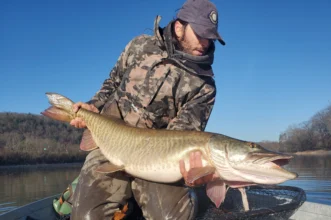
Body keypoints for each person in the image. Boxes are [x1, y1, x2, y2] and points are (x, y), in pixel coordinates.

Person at [68, 0, 225, 219]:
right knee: (87, 216)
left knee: (174, 217)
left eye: (210, 37)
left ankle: (139, 196)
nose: (205, 43)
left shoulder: (205, 87)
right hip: (111, 143)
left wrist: (195, 170)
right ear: (180, 28)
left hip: (158, 160)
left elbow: (179, 136)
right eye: (200, 34)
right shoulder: (140, 45)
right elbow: (112, 82)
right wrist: (94, 105)